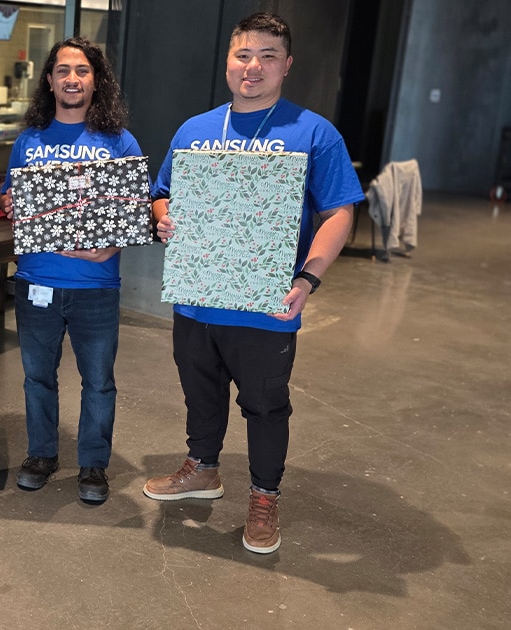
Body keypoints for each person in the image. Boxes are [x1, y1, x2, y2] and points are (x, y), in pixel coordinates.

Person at [144, 12, 364, 554]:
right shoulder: (195, 130)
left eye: (268, 56)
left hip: (267, 304)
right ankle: (203, 468)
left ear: (286, 65)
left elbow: (339, 212)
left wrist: (308, 278)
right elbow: (162, 192)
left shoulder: (312, 132)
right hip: (197, 298)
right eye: (244, 54)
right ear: (228, 61)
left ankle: (265, 496)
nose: (254, 66)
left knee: (266, 406)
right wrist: (164, 216)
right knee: (199, 390)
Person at [0, 37, 141, 505]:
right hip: (36, 281)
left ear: (95, 79)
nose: (72, 79)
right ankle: (41, 455)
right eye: (63, 70)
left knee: (98, 381)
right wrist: (10, 205)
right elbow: (11, 199)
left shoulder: (119, 141)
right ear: (50, 80)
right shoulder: (29, 140)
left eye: (82, 70)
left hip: (96, 286)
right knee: (37, 378)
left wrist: (112, 246)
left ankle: (94, 464)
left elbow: (136, 209)